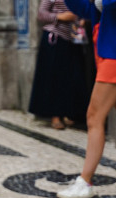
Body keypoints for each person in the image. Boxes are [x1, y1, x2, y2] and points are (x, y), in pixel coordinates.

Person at [57, 0, 116, 198]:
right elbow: (87, 10)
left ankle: (85, 181)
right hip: (106, 49)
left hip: (114, 54)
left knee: (94, 116)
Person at [29, 0, 90, 130]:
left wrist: (83, 18)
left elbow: (87, 10)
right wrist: (59, 17)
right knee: (54, 78)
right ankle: (55, 116)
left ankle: (69, 112)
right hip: (55, 38)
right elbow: (41, 14)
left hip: (74, 38)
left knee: (72, 77)